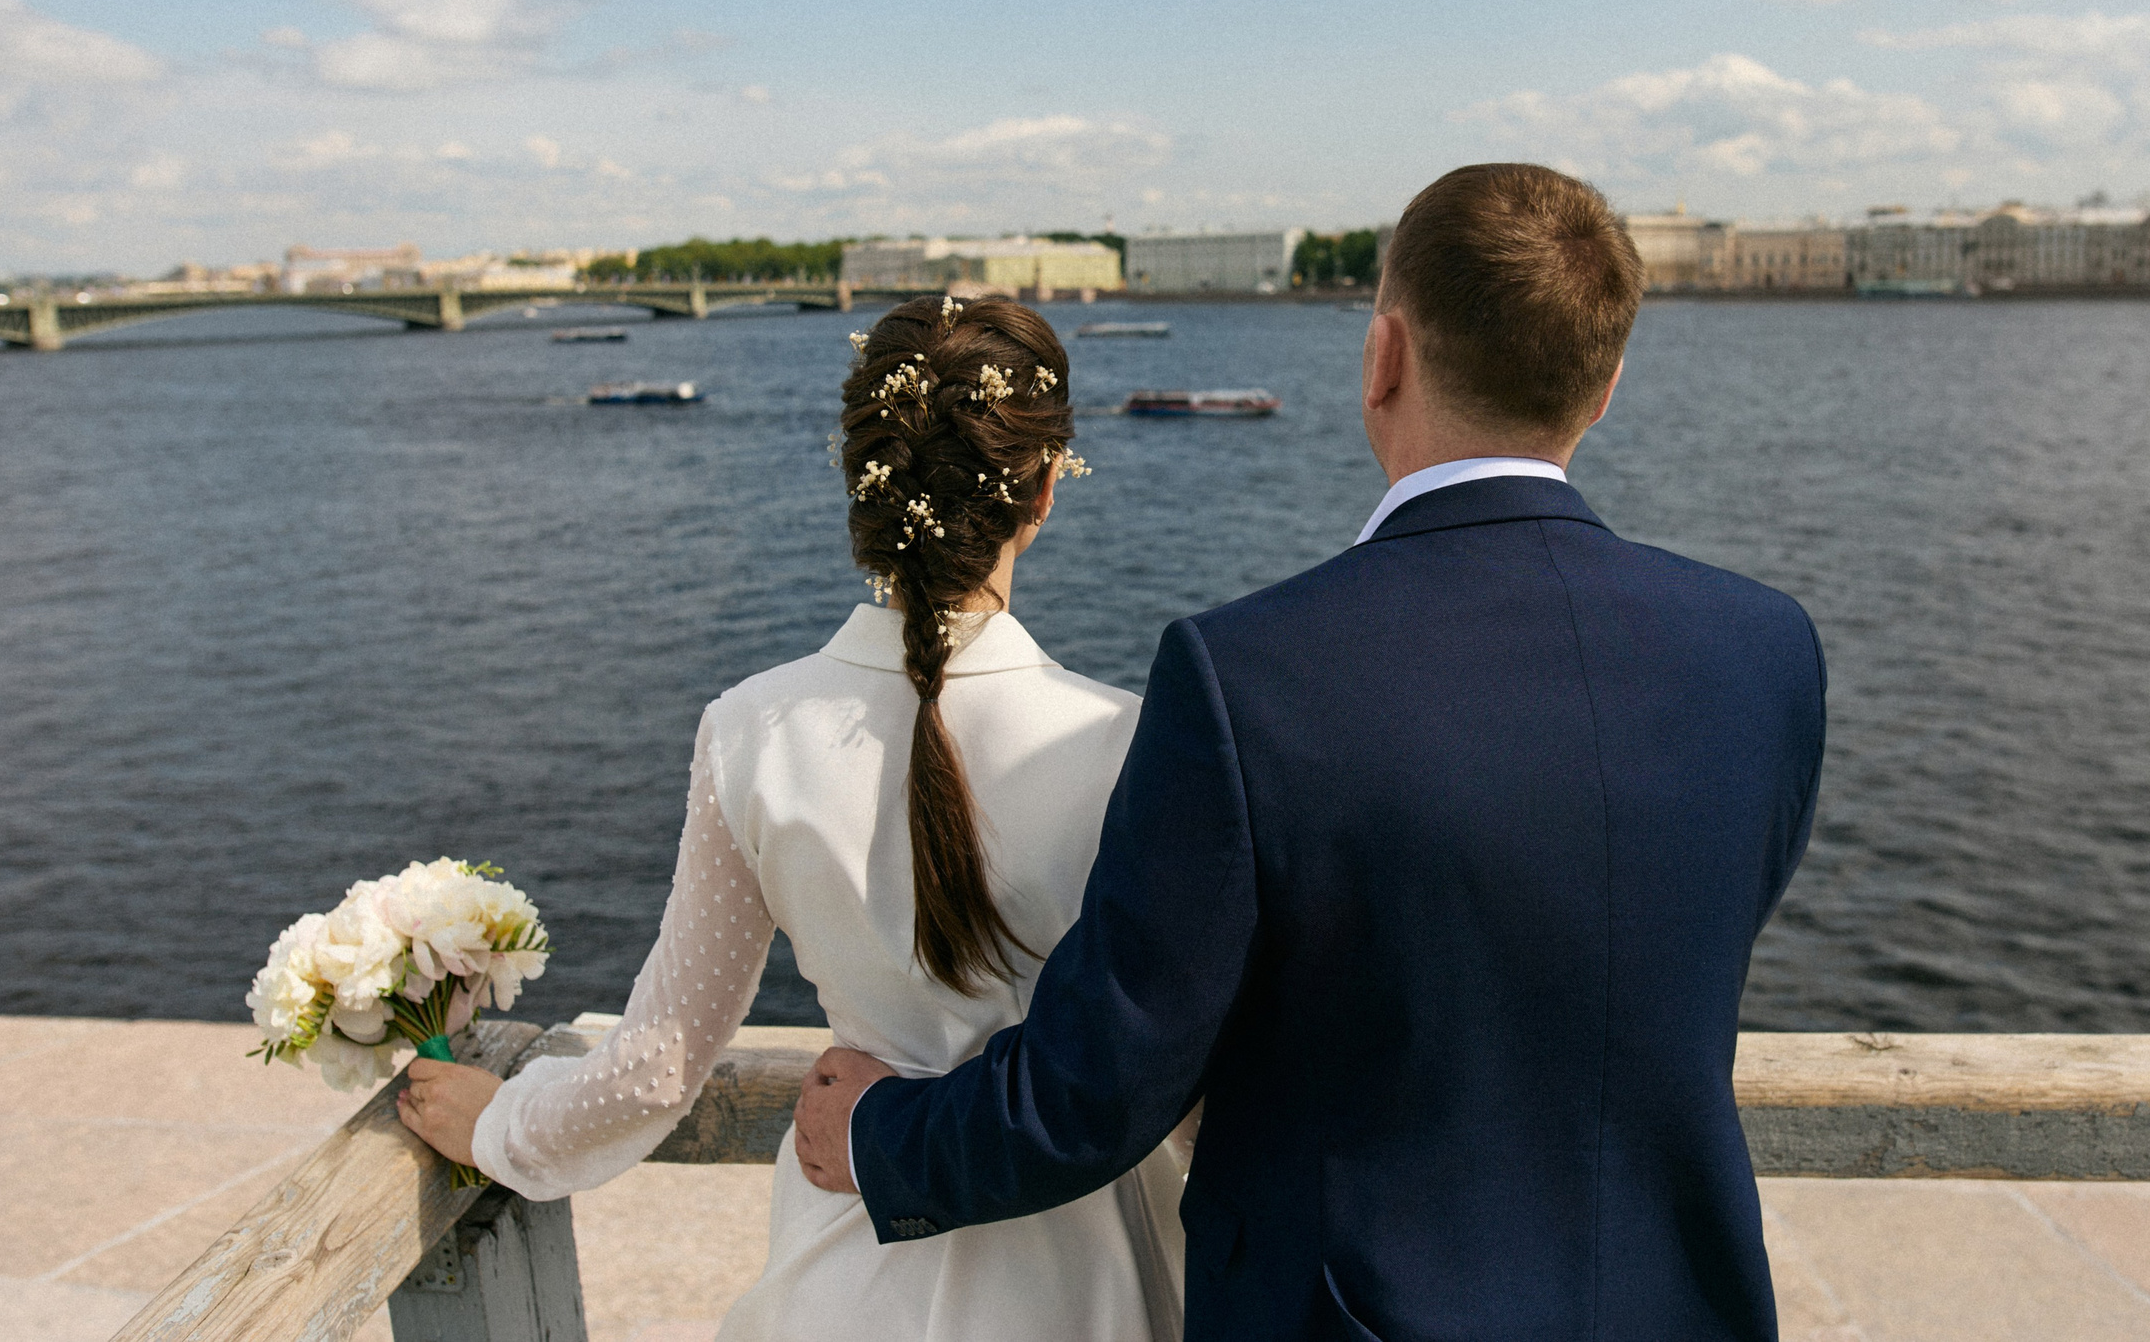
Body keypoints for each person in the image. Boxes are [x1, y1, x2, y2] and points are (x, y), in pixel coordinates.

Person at [795, 164, 1827, 1341]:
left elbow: (1103, 1083)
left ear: (1383, 355)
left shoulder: (1248, 679)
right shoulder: (1765, 655)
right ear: (1604, 389)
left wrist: (882, 1137)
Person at [396, 295, 1189, 1342]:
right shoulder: (1134, 745)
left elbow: (656, 1067)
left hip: (849, 1274)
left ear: (861, 485)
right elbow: (1180, 1078)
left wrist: (499, 1124)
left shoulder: (749, 732)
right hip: (1090, 1289)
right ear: (1042, 491)